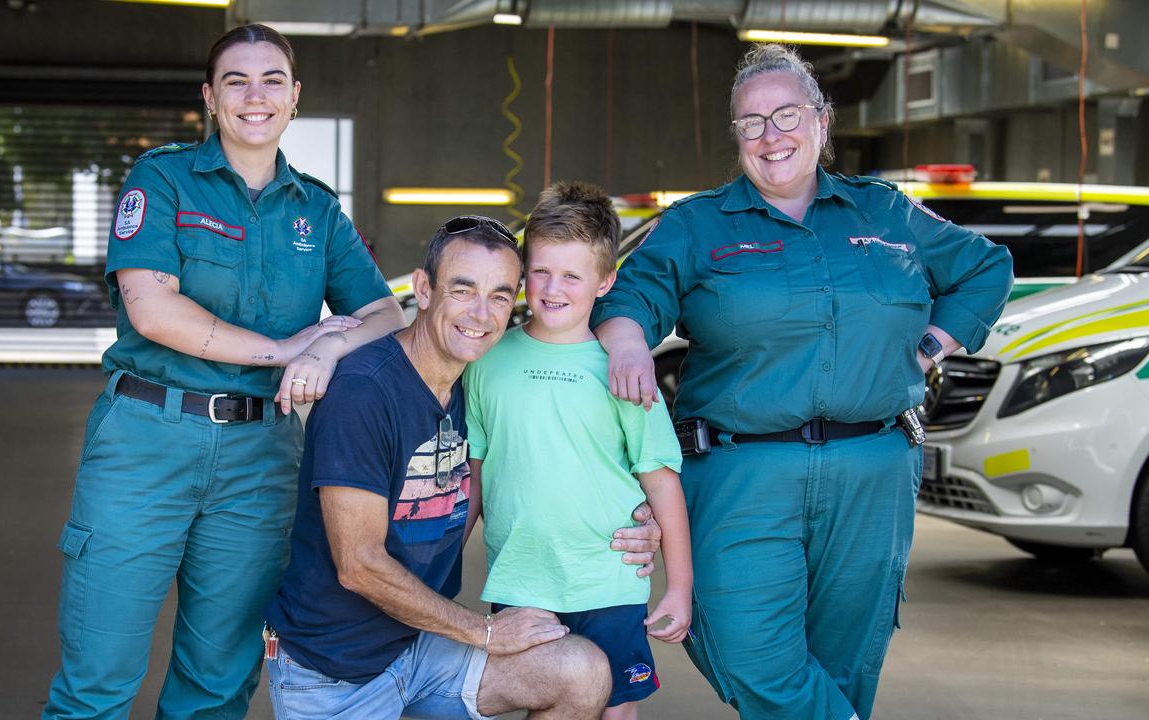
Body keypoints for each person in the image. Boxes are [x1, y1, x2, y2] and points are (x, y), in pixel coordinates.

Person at [591, 44, 1013, 720]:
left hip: (873, 472)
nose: (770, 135)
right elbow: (627, 299)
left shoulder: (886, 213)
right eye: (750, 122)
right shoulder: (698, 224)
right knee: (743, 641)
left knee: (848, 655)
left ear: (823, 121)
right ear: (736, 137)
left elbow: (987, 268)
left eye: (786, 114)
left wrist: (930, 346)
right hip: (741, 473)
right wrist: (627, 343)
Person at [43, 24, 406, 719]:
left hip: (261, 457)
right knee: (98, 676)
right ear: (210, 97)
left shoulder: (317, 209)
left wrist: (327, 348)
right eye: (236, 81)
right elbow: (152, 311)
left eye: (273, 80)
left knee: (217, 678)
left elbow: (385, 316)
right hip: (146, 440)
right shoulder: (164, 178)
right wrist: (288, 349)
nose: (255, 95)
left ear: (295, 97)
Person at [262, 215, 663, 720]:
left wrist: (637, 518)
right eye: (463, 289)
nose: (481, 312)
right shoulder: (364, 393)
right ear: (424, 289)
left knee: (581, 670)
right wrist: (486, 632)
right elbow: (358, 564)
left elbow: (555, 455)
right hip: (336, 669)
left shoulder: (472, 381)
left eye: (500, 295)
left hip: (421, 647)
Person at [463, 182, 692, 720]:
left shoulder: (624, 371)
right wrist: (439, 566)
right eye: (540, 271)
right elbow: (475, 474)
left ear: (605, 280)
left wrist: (679, 588)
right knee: (546, 698)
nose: (552, 287)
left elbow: (662, 482)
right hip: (522, 577)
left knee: (614, 706)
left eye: (572, 275)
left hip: (607, 578)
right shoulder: (488, 362)